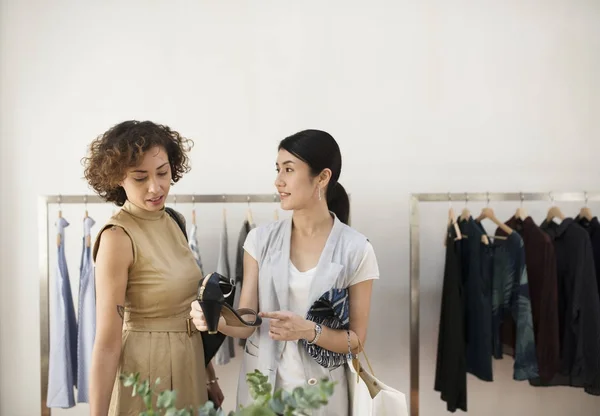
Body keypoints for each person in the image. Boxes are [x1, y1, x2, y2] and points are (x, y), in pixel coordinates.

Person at [190, 129, 380, 415]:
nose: (278, 181)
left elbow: (356, 340)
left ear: (323, 177)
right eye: (278, 169)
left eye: (289, 170)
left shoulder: (357, 249)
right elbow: (247, 321)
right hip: (261, 392)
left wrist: (309, 331)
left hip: (323, 398)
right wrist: (213, 320)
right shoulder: (259, 240)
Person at [83, 120, 223, 416]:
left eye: (162, 173)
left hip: (190, 363)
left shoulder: (175, 221)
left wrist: (209, 376)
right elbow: (107, 342)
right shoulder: (117, 237)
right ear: (118, 179)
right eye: (139, 177)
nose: (155, 187)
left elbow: (190, 307)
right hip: (146, 368)